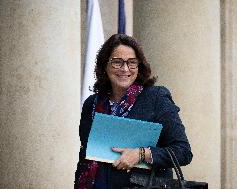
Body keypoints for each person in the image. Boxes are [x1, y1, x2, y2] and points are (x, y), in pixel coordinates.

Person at [75, 34, 193, 189]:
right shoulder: (91, 104)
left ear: (139, 66)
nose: (125, 69)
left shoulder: (156, 98)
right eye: (117, 62)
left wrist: (141, 154)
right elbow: (85, 155)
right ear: (105, 65)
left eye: (132, 63)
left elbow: (183, 152)